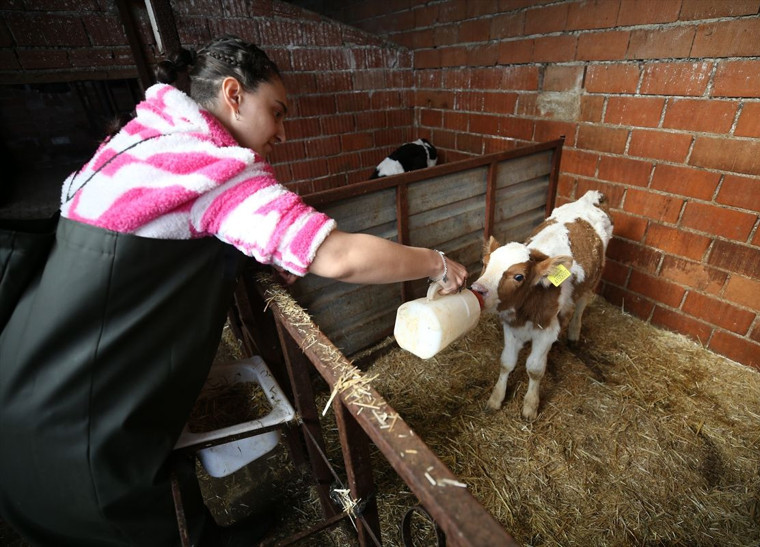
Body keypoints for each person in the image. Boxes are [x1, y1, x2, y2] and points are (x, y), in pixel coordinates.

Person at [0, 35, 466, 546]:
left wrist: (258, 249)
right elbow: (339, 257)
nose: (283, 133)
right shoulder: (214, 168)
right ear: (233, 94)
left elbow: (169, 227)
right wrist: (434, 261)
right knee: (140, 528)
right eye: (277, 112)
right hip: (82, 417)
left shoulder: (143, 141)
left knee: (162, 495)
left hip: (28, 369)